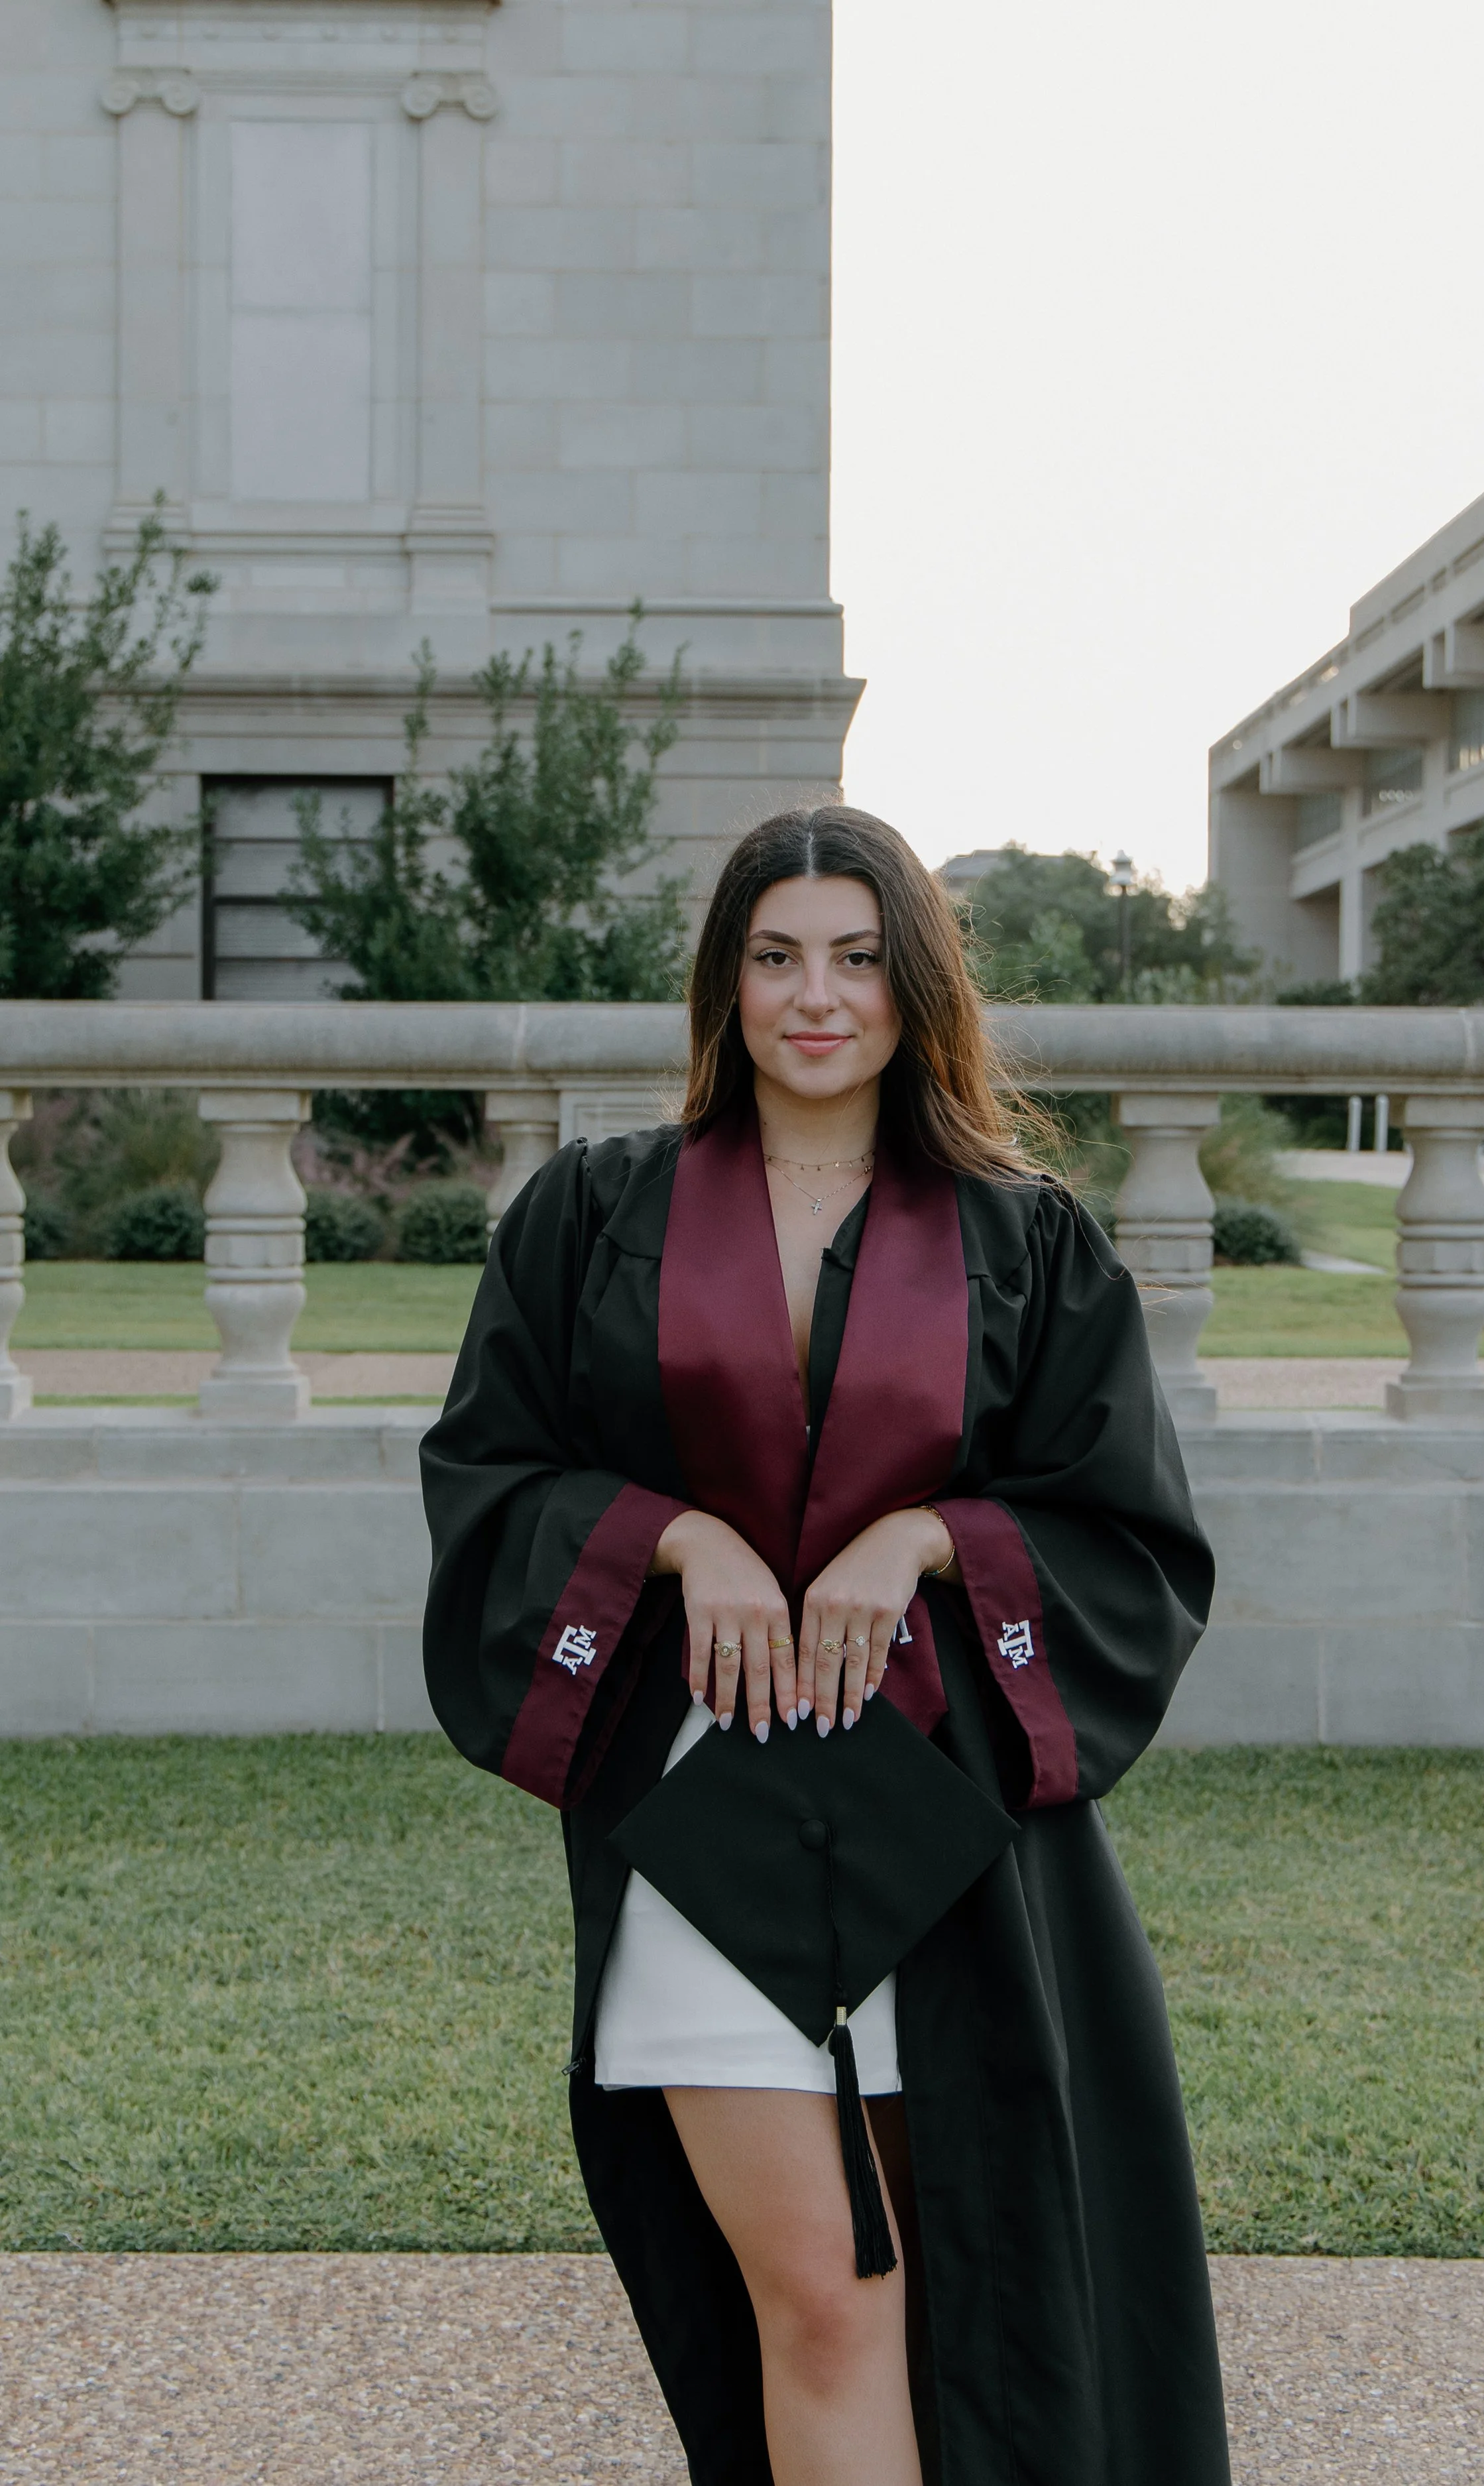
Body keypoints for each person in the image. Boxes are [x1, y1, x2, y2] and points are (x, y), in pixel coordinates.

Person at [422, 805, 1231, 2486]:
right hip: (706, 1821)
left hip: (944, 1829)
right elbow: (491, 1476)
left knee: (949, 2287)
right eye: (776, 955)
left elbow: (1128, 1534)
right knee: (822, 2293)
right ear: (725, 981)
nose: (816, 997)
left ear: (911, 983)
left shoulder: (1024, 1239)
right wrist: (675, 1539)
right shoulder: (593, 1214)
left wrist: (927, 1538)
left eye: (857, 959)